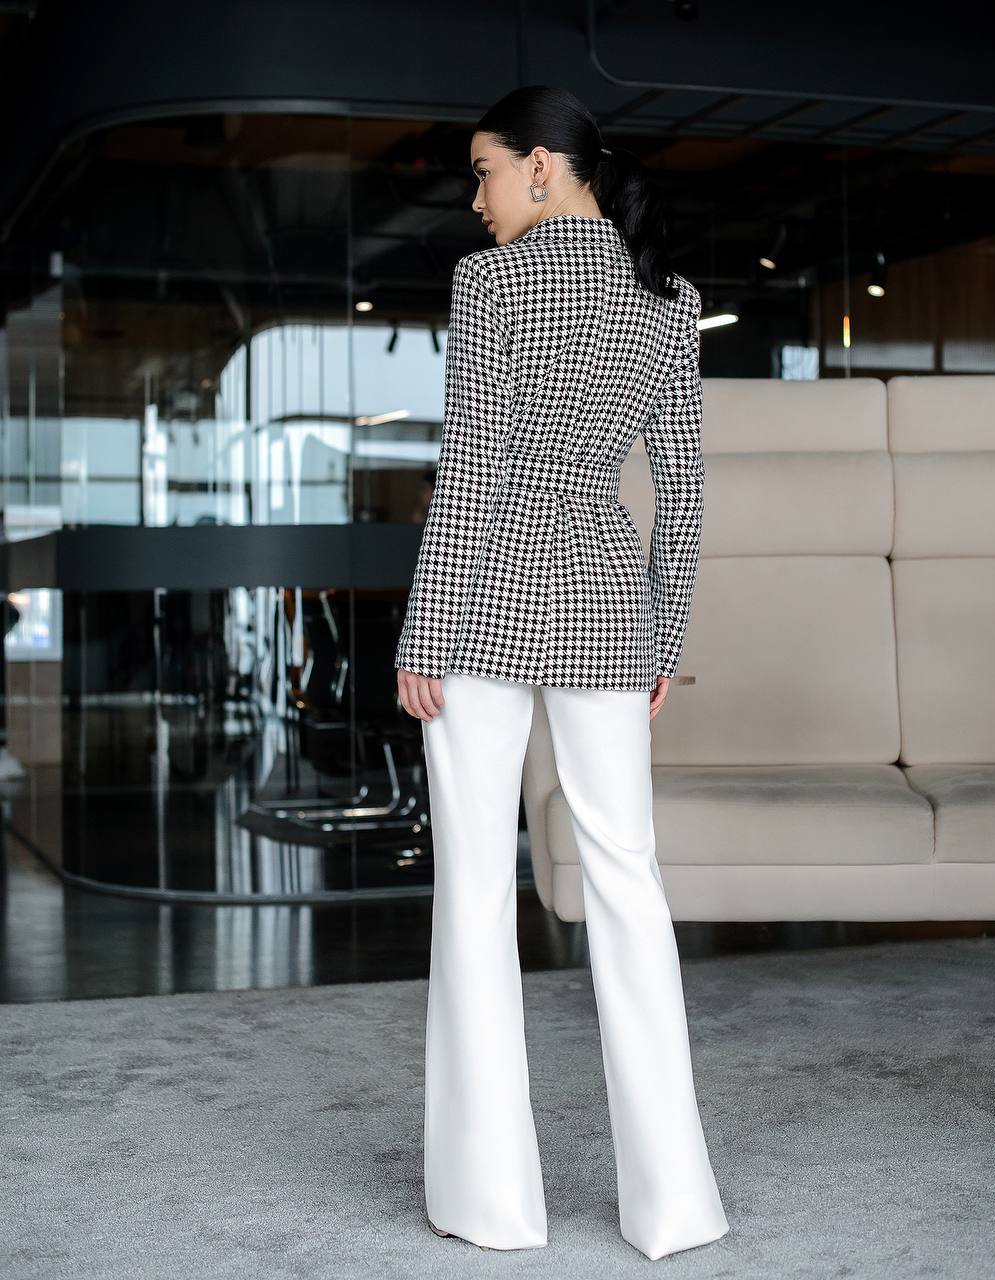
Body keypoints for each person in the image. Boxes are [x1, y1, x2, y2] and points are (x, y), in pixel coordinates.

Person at [394, 84, 728, 1262]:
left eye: (484, 172)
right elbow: (680, 493)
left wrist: (419, 636)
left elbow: (471, 472)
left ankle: (493, 1205)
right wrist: (661, 638)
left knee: (475, 890)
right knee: (629, 886)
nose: (475, 199)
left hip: (482, 606)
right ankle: (675, 1206)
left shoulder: (487, 287)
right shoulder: (667, 305)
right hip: (604, 609)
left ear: (544, 167)